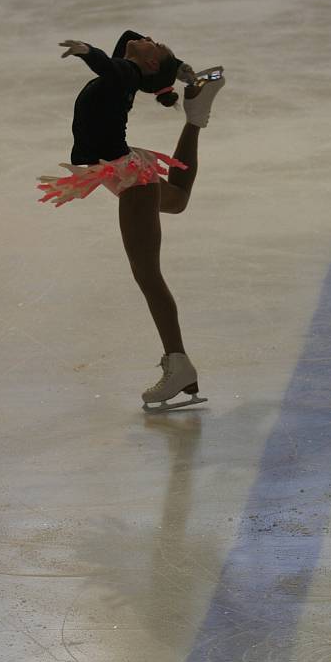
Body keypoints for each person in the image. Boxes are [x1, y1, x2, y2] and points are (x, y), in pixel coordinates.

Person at [37, 30, 225, 412]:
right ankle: (196, 116)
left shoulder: (123, 72)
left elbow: (108, 62)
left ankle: (178, 364)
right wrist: (182, 71)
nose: (149, 38)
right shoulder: (134, 69)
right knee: (177, 200)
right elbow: (130, 36)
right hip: (121, 168)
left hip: (129, 175)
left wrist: (88, 52)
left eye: (155, 44)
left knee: (147, 274)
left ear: (150, 62)